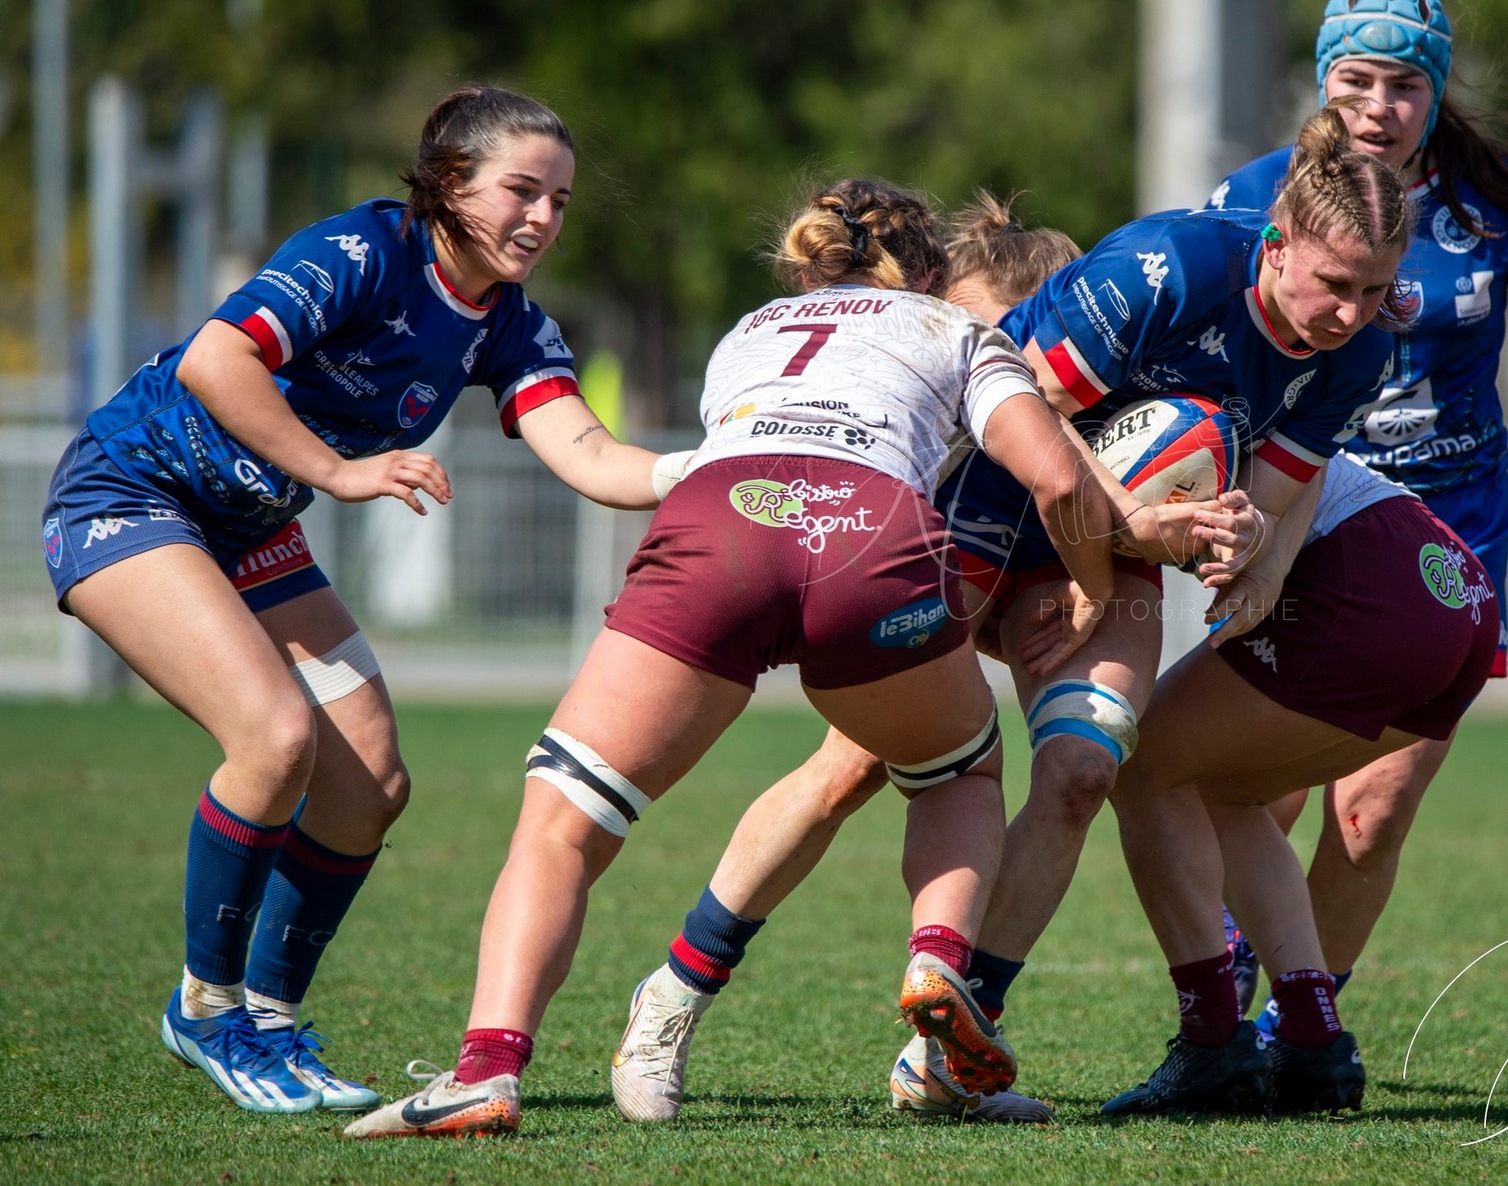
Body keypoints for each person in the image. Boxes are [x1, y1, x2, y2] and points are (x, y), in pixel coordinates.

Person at [607, 108, 1408, 1125]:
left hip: (1115, 535)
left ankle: (950, 1040)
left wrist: (1236, 552)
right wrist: (1097, 548)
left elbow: (1271, 489)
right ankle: (674, 991)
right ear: (1277, 242)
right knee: (853, 763)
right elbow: (1029, 433)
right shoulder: (1166, 269)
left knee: (1084, 767)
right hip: (985, 490)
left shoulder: (1357, 350)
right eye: (1333, 285)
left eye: (1373, 289)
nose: (1349, 312)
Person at [344, 178, 1121, 1139]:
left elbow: (743, 455)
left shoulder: (749, 331)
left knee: (563, 819)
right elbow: (1055, 476)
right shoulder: (952, 331)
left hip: (719, 523)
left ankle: (485, 1070)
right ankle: (935, 958)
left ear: (805, 261)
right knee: (959, 773)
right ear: (932, 275)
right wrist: (1092, 580)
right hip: (873, 539)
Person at [39, 86, 682, 1113]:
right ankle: (204, 1009)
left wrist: (695, 471)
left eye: (559, 200)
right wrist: (339, 473)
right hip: (132, 493)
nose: (543, 219)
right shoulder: (362, 252)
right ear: (446, 183)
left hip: (250, 529)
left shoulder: (506, 325)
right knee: (274, 738)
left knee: (371, 781)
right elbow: (217, 357)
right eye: (521, 191)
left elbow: (589, 451)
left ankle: (272, 1022)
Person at [1200, 0, 1508, 1030]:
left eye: (1403, 84)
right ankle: (1221, 995)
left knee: (1373, 806)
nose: (1377, 106)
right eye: (1355, 80)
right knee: (1262, 786)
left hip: (1450, 525)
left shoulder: (1492, 202)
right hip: (1298, 509)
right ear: (1322, 82)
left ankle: (1292, 1030)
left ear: (1433, 96)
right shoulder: (1254, 195)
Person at [1104, 449, 1500, 1115]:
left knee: (1142, 762)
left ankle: (1211, 1042)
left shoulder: (1123, 378)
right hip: (1460, 593)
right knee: (1219, 786)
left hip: (1373, 582)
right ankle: (1312, 1033)